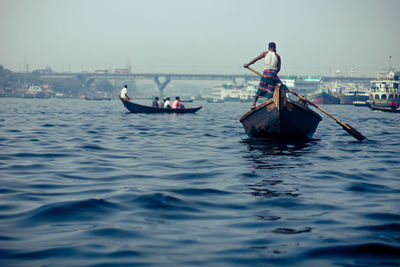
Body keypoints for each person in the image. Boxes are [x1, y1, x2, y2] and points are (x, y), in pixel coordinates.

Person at [244, 42, 288, 109]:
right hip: (273, 74)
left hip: (266, 73)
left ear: (268, 48)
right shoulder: (278, 56)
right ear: (275, 48)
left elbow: (255, 59)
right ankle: (276, 103)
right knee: (278, 87)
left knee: (260, 88)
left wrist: (248, 64)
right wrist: (274, 74)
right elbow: (278, 69)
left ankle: (253, 104)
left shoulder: (265, 53)